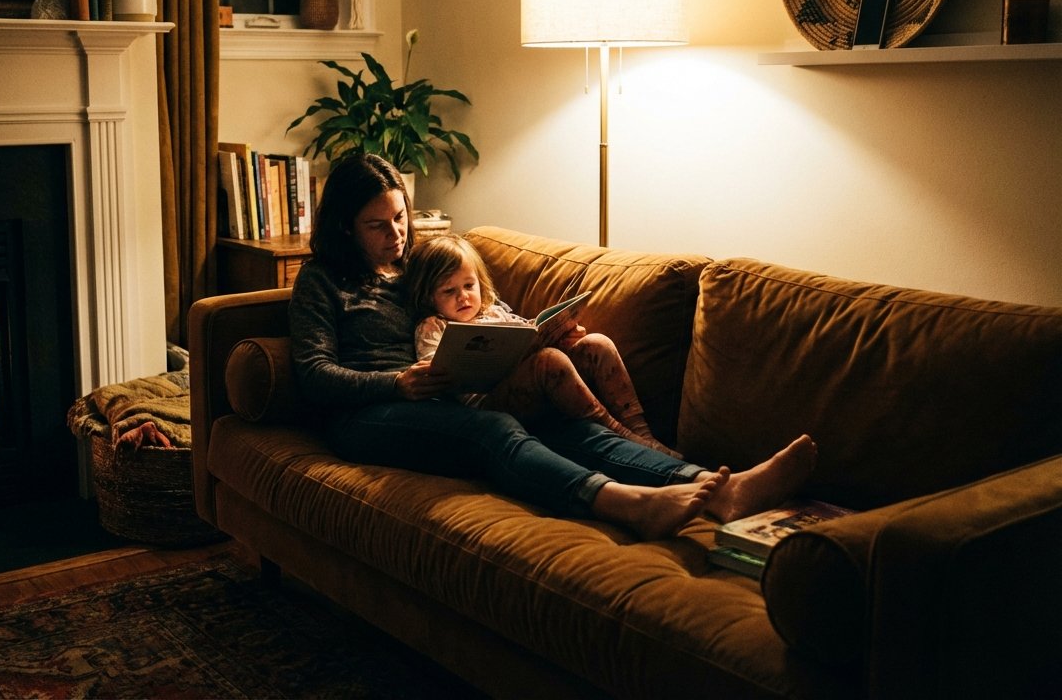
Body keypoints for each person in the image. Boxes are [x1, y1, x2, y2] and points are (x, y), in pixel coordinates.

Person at [289, 152, 817, 539]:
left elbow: (477, 313)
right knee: (495, 428)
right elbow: (312, 373)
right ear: (345, 226)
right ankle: (623, 503)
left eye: (401, 218)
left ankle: (717, 488)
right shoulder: (322, 279)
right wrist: (396, 383)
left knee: (566, 422)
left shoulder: (420, 266)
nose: (397, 234)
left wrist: (532, 341)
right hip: (370, 416)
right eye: (378, 226)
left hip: (449, 396)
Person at [405, 233, 679, 454]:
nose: (463, 297)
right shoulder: (433, 325)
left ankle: (643, 433)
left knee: (597, 343)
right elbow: (434, 370)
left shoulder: (495, 312)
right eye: (449, 291)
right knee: (549, 359)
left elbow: (529, 335)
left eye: (469, 285)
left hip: (535, 387)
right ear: (428, 297)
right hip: (488, 406)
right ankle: (620, 435)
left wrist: (563, 336)